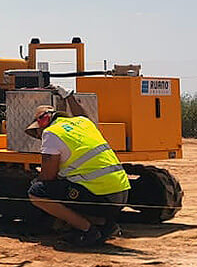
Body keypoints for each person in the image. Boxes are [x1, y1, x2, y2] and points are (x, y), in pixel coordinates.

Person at [25, 104, 130, 246]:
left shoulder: (51, 133)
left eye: (37, 132)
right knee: (65, 185)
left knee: (37, 192)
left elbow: (47, 177)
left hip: (101, 194)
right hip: (121, 192)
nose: (39, 136)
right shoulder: (84, 123)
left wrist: (36, 180)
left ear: (43, 122)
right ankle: (105, 224)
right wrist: (70, 97)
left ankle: (88, 230)